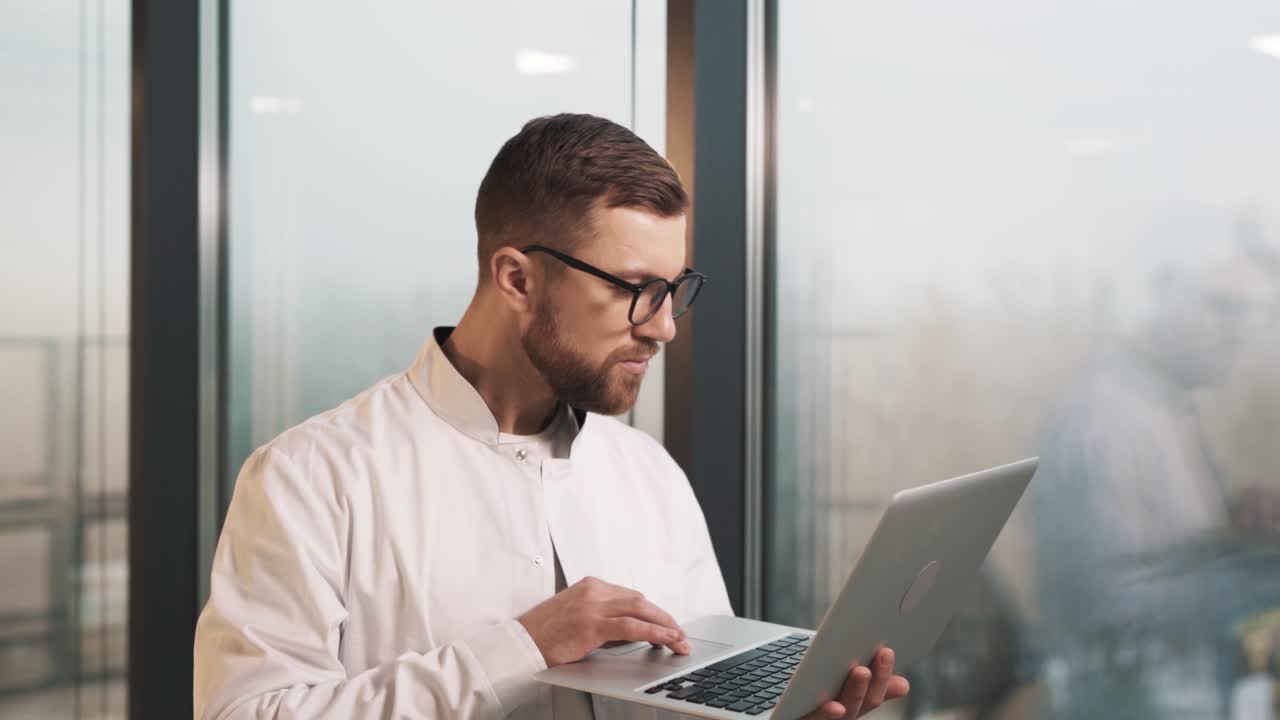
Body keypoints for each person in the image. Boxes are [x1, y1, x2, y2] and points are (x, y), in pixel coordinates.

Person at [193, 114, 909, 719]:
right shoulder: (311, 477)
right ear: (516, 279)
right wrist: (521, 648)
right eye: (636, 289)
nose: (664, 328)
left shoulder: (649, 474)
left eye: (674, 289)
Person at [1032, 233, 1280, 719]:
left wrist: (1236, 528)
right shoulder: (1107, 422)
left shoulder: (1159, 401)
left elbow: (1161, 552)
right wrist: (1263, 575)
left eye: (1252, 313)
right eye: (1221, 306)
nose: (1240, 331)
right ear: (1154, 298)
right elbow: (1111, 614)